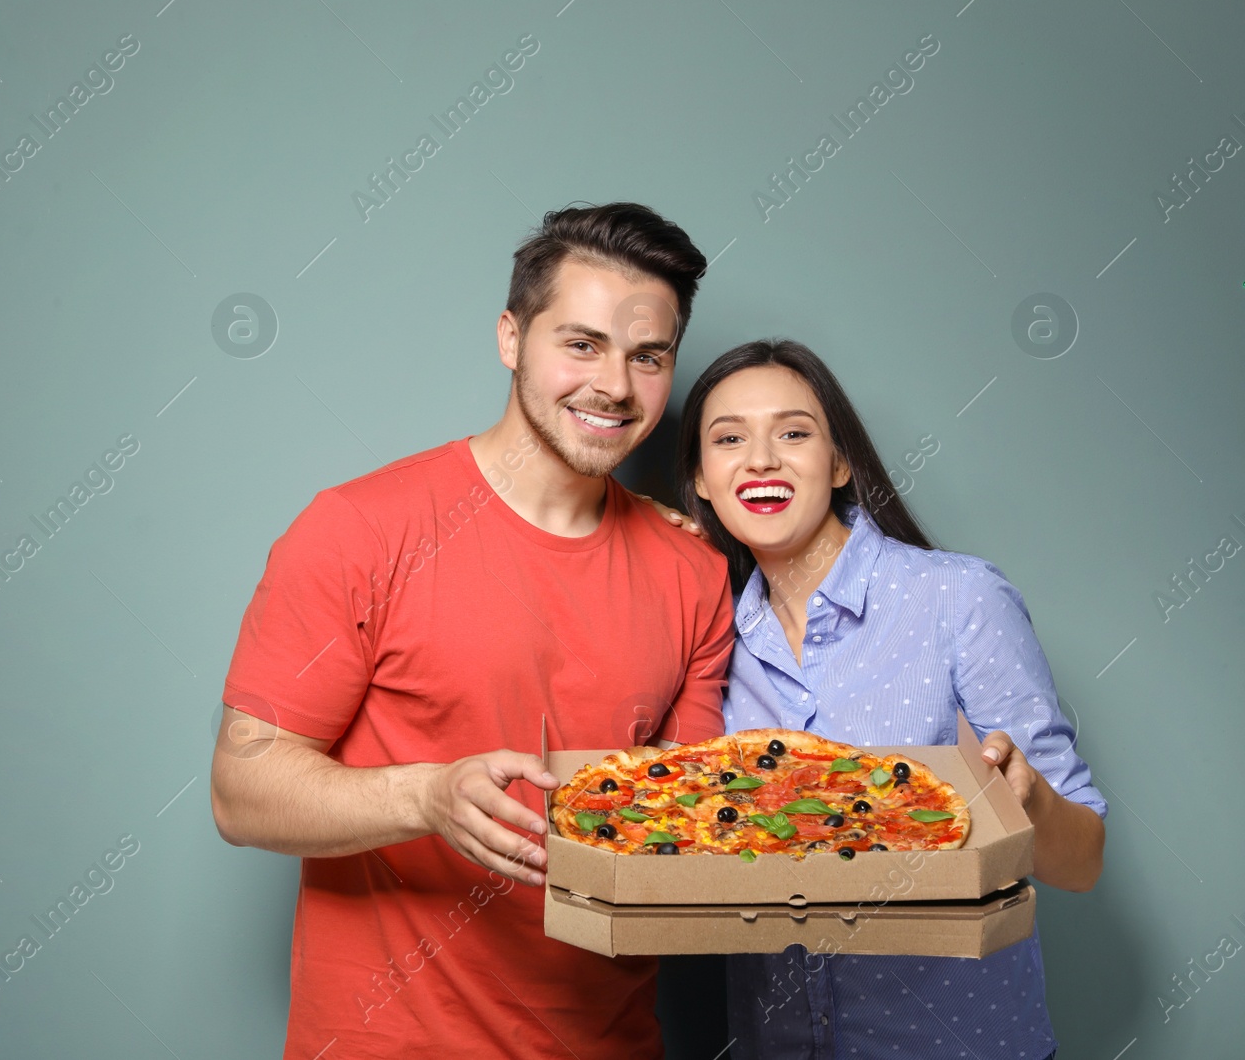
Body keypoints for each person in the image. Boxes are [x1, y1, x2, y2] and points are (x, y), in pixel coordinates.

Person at [210, 202, 737, 1059]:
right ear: (510, 337)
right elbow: (241, 790)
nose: (613, 385)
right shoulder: (357, 531)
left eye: (649, 357)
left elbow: (684, 820)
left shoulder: (693, 571)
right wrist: (426, 796)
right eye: (581, 343)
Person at [661, 337, 1105, 1059]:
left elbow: (1082, 862)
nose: (761, 458)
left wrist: (1029, 804)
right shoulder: (710, 636)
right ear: (703, 479)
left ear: (839, 463)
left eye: (794, 432)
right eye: (729, 438)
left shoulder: (959, 598)